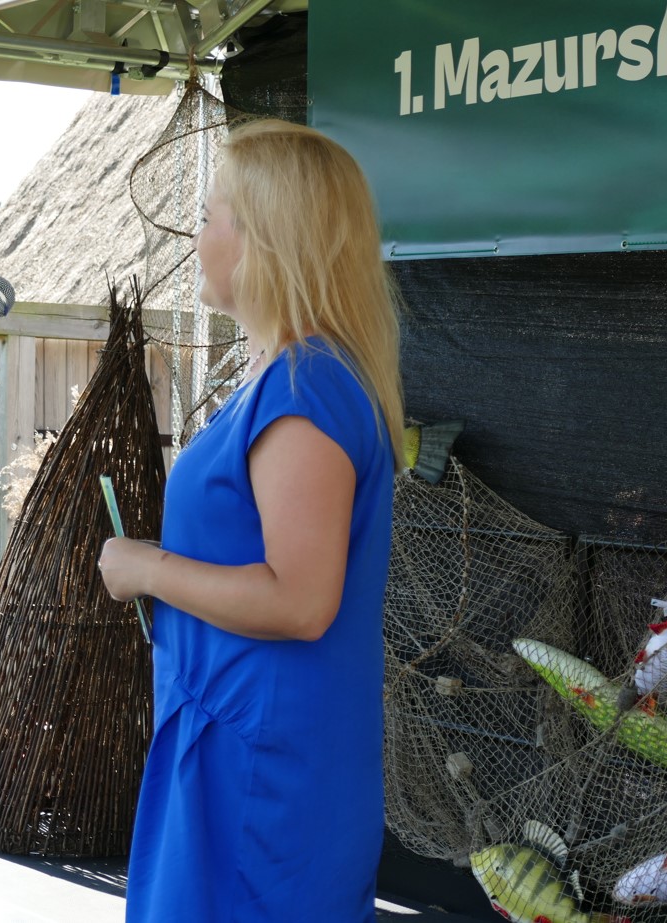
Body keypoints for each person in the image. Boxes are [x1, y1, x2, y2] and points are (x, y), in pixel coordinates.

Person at [97, 119, 405, 920]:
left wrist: (147, 569)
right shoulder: (289, 377)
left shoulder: (306, 389)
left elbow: (301, 600)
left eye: (208, 217)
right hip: (234, 745)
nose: (196, 238)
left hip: (260, 772)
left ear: (263, 238)